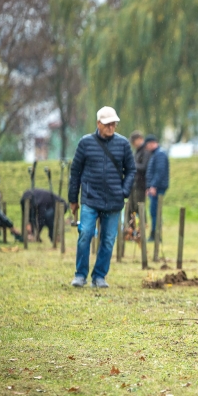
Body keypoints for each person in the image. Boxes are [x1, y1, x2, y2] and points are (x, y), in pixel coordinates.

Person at [68, 106, 135, 288]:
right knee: (85, 234)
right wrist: (73, 199)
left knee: (108, 239)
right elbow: (75, 172)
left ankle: (99, 276)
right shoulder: (85, 143)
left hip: (114, 201)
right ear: (98, 123)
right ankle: (80, 275)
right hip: (90, 198)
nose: (111, 127)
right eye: (107, 124)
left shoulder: (123, 144)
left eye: (114, 124)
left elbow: (131, 170)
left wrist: (124, 191)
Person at [145, 135, 169, 242]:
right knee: (153, 212)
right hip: (154, 187)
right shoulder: (157, 154)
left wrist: (153, 186)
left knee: (155, 212)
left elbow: (159, 172)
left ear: (151, 143)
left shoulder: (159, 154)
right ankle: (154, 234)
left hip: (157, 188)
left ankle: (155, 235)